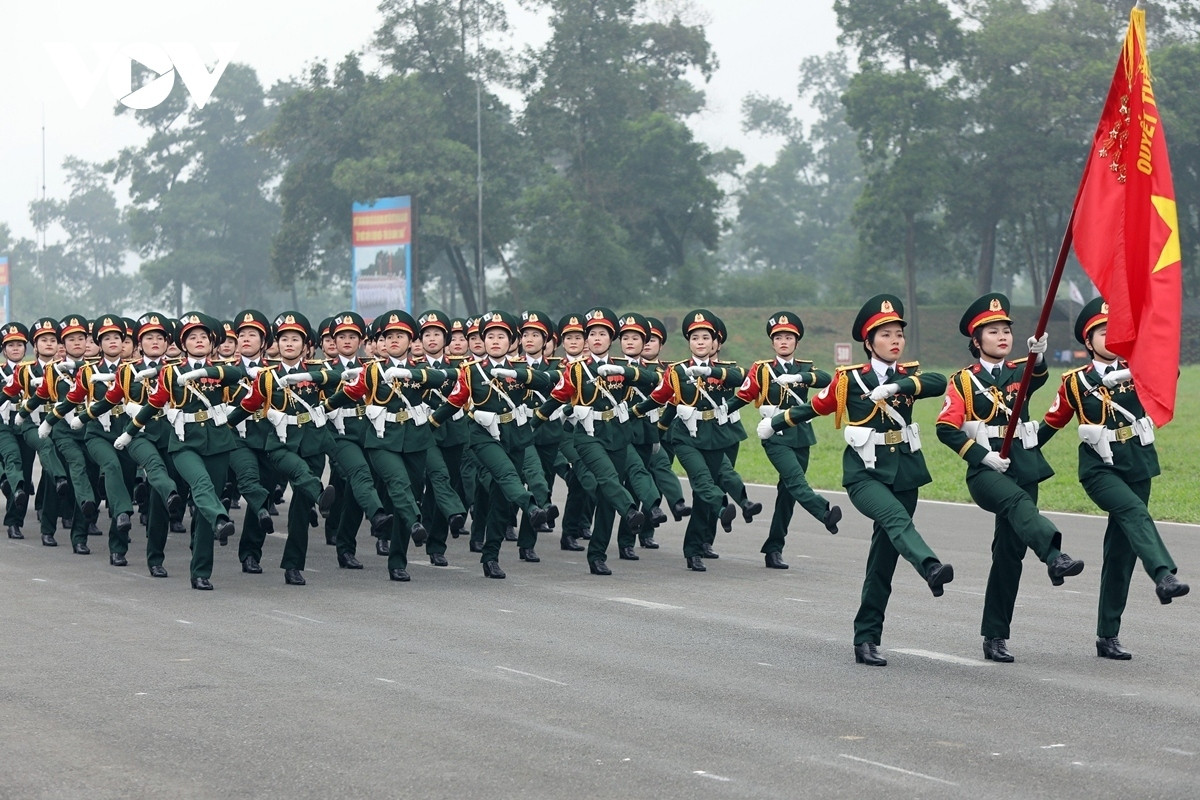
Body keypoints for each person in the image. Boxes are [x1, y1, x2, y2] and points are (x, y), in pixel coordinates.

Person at [762, 295, 951, 667]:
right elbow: (814, 406)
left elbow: (938, 382)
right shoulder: (850, 380)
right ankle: (930, 566)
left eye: (899, 333)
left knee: (883, 560)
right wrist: (775, 423)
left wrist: (897, 388)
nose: (895, 340)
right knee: (897, 521)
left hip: (906, 472)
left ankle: (866, 638)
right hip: (865, 475)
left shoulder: (907, 376)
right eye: (886, 334)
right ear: (869, 342)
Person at [935, 293, 1085, 662]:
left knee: (1008, 553)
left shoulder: (1019, 369)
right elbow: (945, 428)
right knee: (1017, 503)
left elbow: (1036, 377)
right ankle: (1054, 554)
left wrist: (1039, 353)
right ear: (976, 340)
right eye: (993, 331)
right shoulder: (964, 383)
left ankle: (995, 636)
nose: (1002, 336)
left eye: (1006, 330)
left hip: (1023, 467)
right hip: (986, 473)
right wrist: (981, 454)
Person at [1039, 297, 1188, 659]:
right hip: (1099, 470)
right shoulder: (1075, 382)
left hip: (1137, 464)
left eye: (1118, 331)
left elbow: (1169, 373)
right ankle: (1163, 575)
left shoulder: (1137, 367)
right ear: (1088, 341)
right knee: (1136, 513)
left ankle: (1108, 635)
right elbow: (1050, 424)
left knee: (1120, 553)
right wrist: (1012, 454)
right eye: (1104, 332)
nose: (1113, 337)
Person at [115, 312, 242, 590]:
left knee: (205, 508)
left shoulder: (222, 369)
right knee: (193, 490)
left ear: (213, 343)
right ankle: (159, 555)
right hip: (183, 443)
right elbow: (154, 404)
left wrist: (206, 371)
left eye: (203, 337)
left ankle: (200, 571)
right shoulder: (171, 371)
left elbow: (239, 374)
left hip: (219, 443)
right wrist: (129, 431)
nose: (198, 341)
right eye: (192, 337)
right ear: (183, 344)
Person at [432, 311, 554, 579]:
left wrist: (519, 375)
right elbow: (454, 402)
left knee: (500, 502)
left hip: (516, 433)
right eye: (490, 336)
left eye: (501, 336)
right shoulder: (470, 371)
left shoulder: (522, 369)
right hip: (483, 434)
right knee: (505, 474)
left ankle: (491, 557)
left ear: (512, 340)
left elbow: (550, 383)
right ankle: (532, 507)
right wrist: (429, 425)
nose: (495, 341)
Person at [227, 312, 337, 585]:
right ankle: (250, 553)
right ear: (277, 344)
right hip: (271, 443)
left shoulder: (318, 373)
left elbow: (338, 383)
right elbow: (248, 405)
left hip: (310, 445)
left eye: (295, 339)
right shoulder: (268, 375)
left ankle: (293, 565)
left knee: (300, 507)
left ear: (306, 345)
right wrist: (224, 426)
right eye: (284, 339)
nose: (289, 344)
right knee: (261, 497)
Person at [632, 310, 747, 572]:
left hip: (720, 435)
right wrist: (648, 423)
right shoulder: (677, 370)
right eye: (695, 338)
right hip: (687, 434)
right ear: (689, 341)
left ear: (715, 342)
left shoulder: (726, 371)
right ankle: (687, 545)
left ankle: (705, 541)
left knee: (712, 486)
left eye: (706, 337)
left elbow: (746, 379)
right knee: (697, 486)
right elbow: (664, 399)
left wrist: (713, 373)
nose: (701, 342)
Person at [536, 307, 648, 575]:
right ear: (586, 340)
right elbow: (558, 397)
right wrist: (534, 423)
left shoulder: (624, 367)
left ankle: (597, 554)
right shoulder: (577, 369)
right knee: (608, 478)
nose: (597, 338)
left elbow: (655, 381)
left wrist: (629, 372)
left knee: (607, 497)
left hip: (618, 434)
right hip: (587, 435)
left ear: (612, 338)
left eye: (603, 334)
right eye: (592, 334)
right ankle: (631, 510)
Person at [733, 311, 840, 570]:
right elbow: (745, 395)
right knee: (796, 481)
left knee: (788, 494)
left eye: (788, 337)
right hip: (775, 435)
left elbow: (828, 379)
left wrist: (798, 378)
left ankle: (774, 548)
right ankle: (824, 512)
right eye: (778, 337)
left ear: (796, 342)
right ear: (772, 342)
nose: (783, 341)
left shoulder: (804, 367)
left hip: (801, 434)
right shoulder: (762, 369)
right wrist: (721, 411)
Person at [0, 322, 32, 539]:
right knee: (13, 460)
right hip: (3, 425)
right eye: (10, 345)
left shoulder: (32, 371)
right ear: (4, 350)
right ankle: (12, 522)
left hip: (27, 425)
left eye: (19, 344)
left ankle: (16, 519)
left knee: (26, 472)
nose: (15, 349)